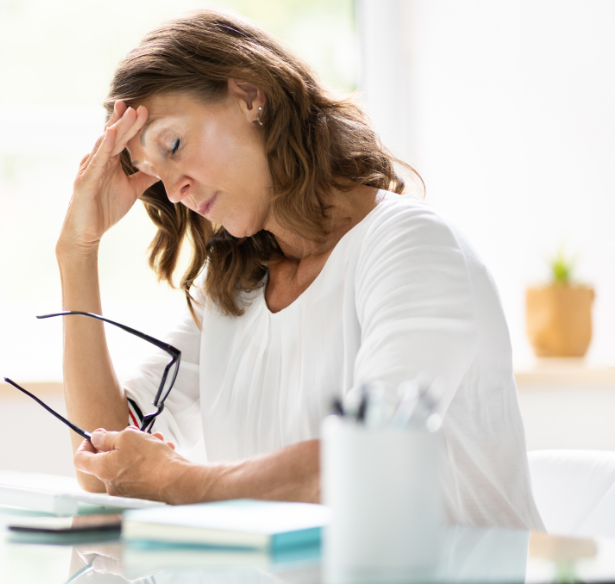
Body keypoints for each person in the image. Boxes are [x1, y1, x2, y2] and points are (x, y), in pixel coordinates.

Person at [58, 10, 542, 530]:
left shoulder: (412, 249)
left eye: (173, 146)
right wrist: (77, 251)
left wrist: (179, 482)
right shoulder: (234, 291)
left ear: (250, 94)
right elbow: (104, 467)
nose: (174, 189)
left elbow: (370, 464)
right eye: (155, 176)